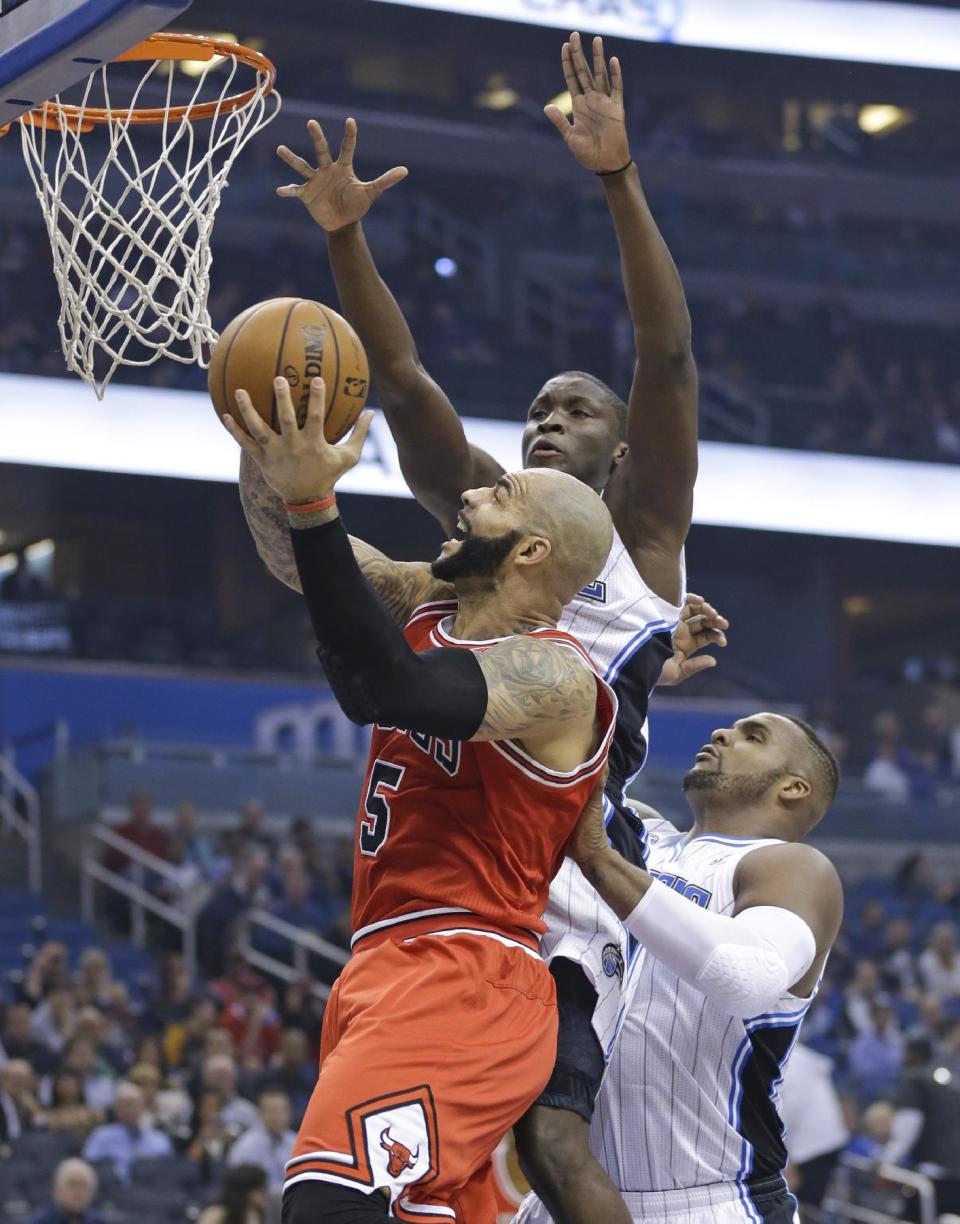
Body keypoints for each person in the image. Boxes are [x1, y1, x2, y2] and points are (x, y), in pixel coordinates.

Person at [269, 32, 710, 1224]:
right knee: (469, 1187)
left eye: (574, 409)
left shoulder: (642, 542)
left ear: (621, 448)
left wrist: (618, 181)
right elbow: (402, 382)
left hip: (568, 866)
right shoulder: (484, 534)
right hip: (468, 847)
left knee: (559, 1146)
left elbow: (666, 356)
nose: (544, 422)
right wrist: (344, 240)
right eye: (534, 411)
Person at [223, 372, 619, 1224]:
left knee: (331, 1204)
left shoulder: (557, 677)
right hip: (382, 963)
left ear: (533, 552)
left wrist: (313, 500)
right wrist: (268, 434)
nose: (471, 492)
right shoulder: (428, 601)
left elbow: (382, 685)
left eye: (499, 493)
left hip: (465, 973)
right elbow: (304, 556)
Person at [518, 711, 843, 1224]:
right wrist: (651, 661)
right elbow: (554, 747)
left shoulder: (790, 866)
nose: (721, 734)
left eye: (752, 737)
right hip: (562, 1191)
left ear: (794, 788)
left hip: (711, 1202)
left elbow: (747, 975)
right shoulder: (639, 834)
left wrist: (601, 863)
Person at [81, 1080, 173, 1180]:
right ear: (116, 1108)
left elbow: (168, 1172)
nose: (129, 1109)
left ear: (143, 1107)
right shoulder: (100, 1137)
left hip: (151, 1190)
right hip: (113, 1190)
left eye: (133, 1103)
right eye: (124, 1104)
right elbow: (88, 1169)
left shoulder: (159, 1139)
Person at [227, 1089, 297, 1192]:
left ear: (289, 1114)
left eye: (280, 1111)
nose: (276, 1117)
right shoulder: (245, 1147)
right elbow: (238, 1186)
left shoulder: (295, 1142)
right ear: (260, 1114)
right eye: (271, 1111)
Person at [26, 1158, 107, 1224]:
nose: (78, 1192)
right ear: (57, 1190)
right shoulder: (39, 1220)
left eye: (84, 1186)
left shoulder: (98, 1221)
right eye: (72, 1184)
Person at [198, 1163, 268, 1224]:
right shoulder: (216, 1215)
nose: (265, 1194)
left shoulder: (256, 1214)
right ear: (247, 1192)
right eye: (260, 1190)